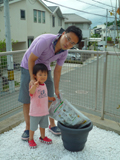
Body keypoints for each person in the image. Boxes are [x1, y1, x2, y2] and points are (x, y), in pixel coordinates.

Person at [18, 25, 82, 141]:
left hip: (44, 68)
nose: (68, 44)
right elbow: (31, 59)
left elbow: (57, 70)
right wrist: (32, 79)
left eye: (72, 43)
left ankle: (51, 124)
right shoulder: (45, 41)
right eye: (68, 38)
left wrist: (56, 89)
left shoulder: (64, 53)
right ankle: (28, 128)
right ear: (63, 34)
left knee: (50, 95)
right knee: (27, 98)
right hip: (29, 65)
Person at [28, 63, 55, 148]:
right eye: (40, 74)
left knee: (43, 126)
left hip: (44, 111)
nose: (43, 76)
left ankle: (42, 137)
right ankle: (30, 138)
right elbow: (31, 93)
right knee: (33, 127)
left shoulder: (45, 85)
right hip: (35, 112)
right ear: (34, 76)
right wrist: (34, 87)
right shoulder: (34, 85)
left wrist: (51, 98)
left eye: (45, 74)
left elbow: (44, 96)